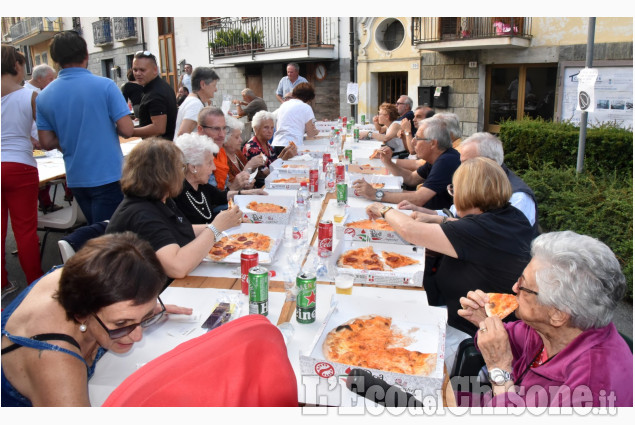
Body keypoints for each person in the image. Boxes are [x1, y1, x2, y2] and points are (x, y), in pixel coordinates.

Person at [366, 157, 533, 368]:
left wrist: (383, 209)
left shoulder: (478, 231)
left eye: (454, 190)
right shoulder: (511, 216)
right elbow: (469, 226)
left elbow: (411, 231)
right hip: (474, 321)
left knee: (381, 333)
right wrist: (439, 219)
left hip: (469, 336)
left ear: (467, 194)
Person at [1, 232, 192, 406]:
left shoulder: (86, 277)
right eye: (120, 323)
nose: (137, 337)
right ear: (82, 313)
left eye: (144, 317)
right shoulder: (55, 363)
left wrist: (141, 312)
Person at [458, 231, 633, 407]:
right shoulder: (547, 329)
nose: (514, 287)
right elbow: (502, 341)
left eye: (523, 285)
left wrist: (499, 370)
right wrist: (485, 321)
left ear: (558, 314)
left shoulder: (592, 388)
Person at [106, 138, 243, 279]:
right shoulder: (141, 213)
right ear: (166, 174)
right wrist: (215, 228)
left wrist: (225, 223)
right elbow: (177, 267)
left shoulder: (160, 199)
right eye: (181, 168)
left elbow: (182, 229)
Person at [36, 31, 134, 225]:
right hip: (109, 173)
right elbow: (127, 129)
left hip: (76, 176)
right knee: (111, 238)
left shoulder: (43, 96)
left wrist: (70, 138)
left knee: (96, 232)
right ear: (86, 55)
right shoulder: (105, 86)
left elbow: (46, 142)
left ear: (55, 60)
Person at [398, 132, 540, 233]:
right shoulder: (479, 182)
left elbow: (494, 236)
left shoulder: (518, 197)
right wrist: (418, 210)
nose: (461, 169)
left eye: (467, 163)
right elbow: (452, 214)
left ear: (489, 162)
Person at [1, 45, 43, 299]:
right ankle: (35, 285)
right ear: (16, 67)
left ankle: (3, 283)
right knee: (25, 230)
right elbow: (44, 135)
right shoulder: (30, 96)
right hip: (20, 165)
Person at [353, 117, 460, 210]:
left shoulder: (446, 161)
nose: (412, 142)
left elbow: (419, 199)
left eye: (417, 138)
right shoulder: (438, 157)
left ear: (433, 143)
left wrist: (376, 194)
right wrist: (387, 162)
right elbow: (411, 178)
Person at [173, 132, 266, 224]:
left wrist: (252, 193)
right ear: (193, 167)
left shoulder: (201, 186)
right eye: (209, 163)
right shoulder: (178, 194)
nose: (214, 167)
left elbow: (223, 195)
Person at [22, 63, 63, 214]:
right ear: (39, 79)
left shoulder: (39, 91)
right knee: (42, 172)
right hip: (34, 140)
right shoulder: (28, 94)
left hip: (40, 139)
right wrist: (32, 139)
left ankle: (54, 200)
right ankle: (45, 202)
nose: (53, 82)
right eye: (50, 79)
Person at [196, 107, 249, 192]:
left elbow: (223, 190)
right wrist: (234, 188)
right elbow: (208, 200)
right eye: (216, 129)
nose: (222, 135)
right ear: (200, 130)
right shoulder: (195, 157)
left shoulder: (220, 152)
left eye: (224, 128)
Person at [131, 50, 178, 141]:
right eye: (135, 70)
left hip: (160, 150)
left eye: (142, 70)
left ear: (155, 70)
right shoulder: (159, 86)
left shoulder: (155, 93)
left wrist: (130, 132)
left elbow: (158, 128)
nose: (137, 73)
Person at [244, 110, 297, 187]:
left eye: (272, 128)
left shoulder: (266, 143)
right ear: (256, 128)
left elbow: (273, 163)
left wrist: (284, 152)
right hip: (262, 186)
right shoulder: (253, 147)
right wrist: (284, 158)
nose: (270, 131)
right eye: (266, 127)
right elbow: (268, 173)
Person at [174, 67, 219, 138]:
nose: (216, 89)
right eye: (214, 85)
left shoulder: (193, 100)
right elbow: (183, 135)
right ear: (203, 84)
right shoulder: (195, 104)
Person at [271, 82, 318, 150]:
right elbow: (310, 134)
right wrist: (316, 131)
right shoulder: (306, 107)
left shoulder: (283, 105)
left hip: (277, 143)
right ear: (308, 98)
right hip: (293, 145)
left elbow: (281, 127)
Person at [224, 116, 265, 187]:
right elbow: (231, 188)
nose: (241, 140)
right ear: (225, 139)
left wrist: (254, 167)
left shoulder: (237, 153)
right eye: (237, 137)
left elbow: (249, 175)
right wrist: (250, 165)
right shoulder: (222, 159)